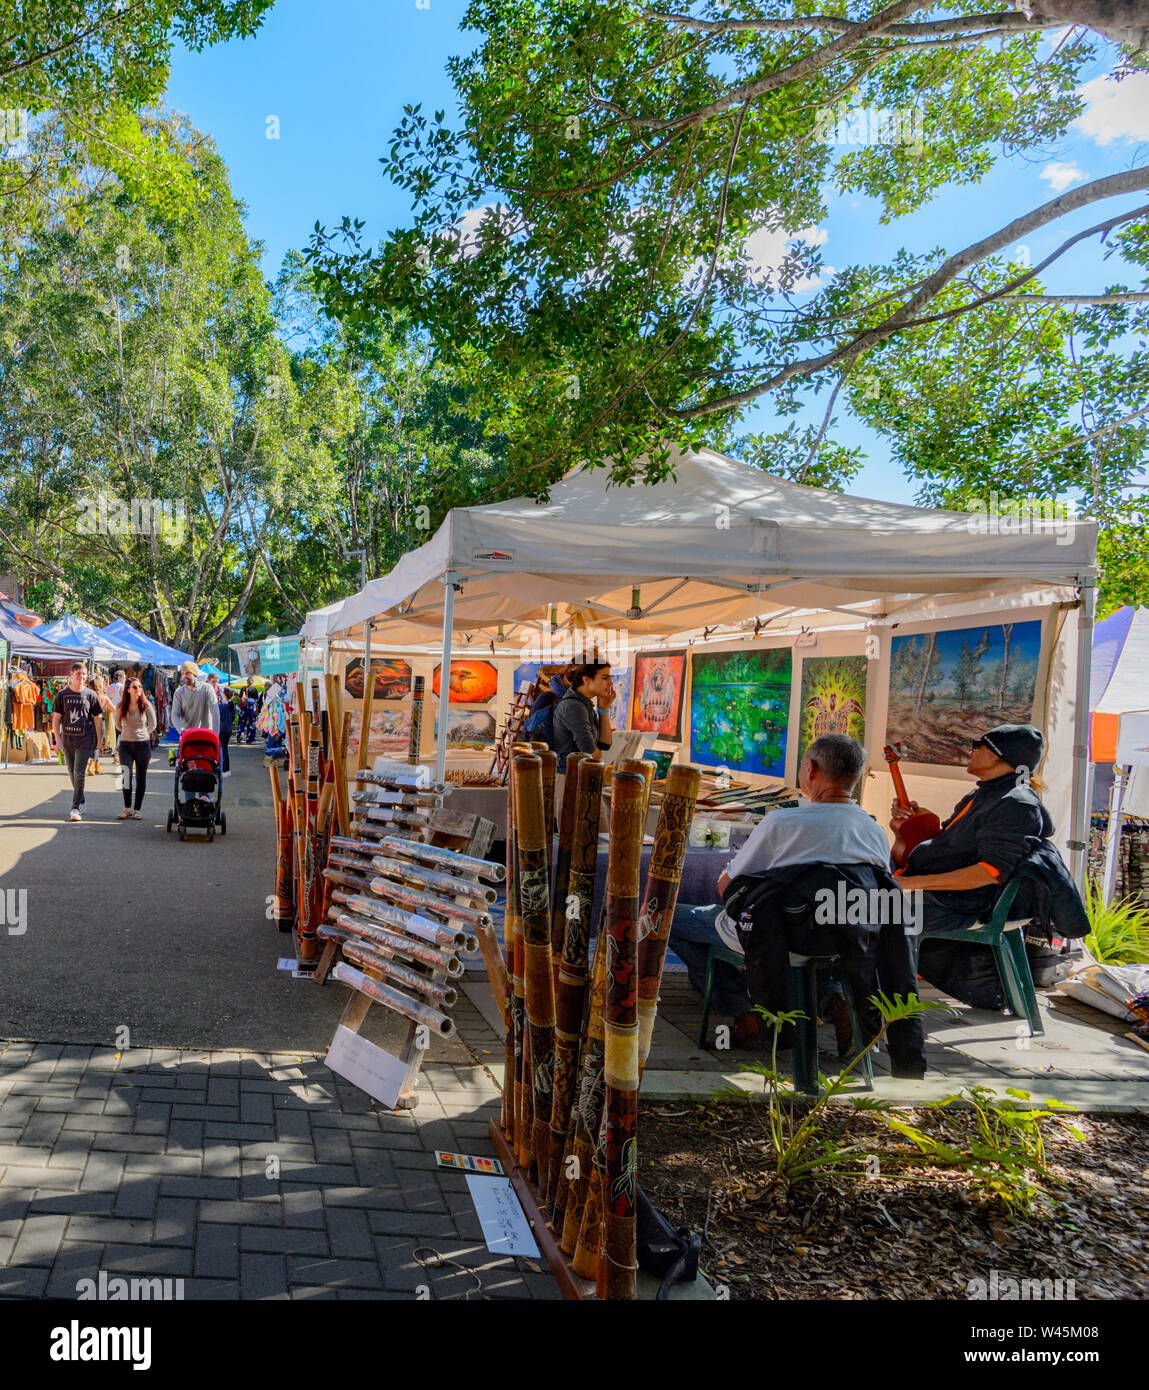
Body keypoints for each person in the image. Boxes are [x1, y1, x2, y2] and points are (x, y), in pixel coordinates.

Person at [669, 733, 892, 1046]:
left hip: (772, 937)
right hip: (844, 941)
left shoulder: (783, 821)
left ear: (811, 770)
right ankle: (831, 1000)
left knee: (668, 921)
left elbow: (726, 887)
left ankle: (741, 1010)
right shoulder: (874, 831)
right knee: (803, 931)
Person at [892, 723, 1053, 1009]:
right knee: (851, 899)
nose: (971, 751)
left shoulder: (1015, 804)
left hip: (971, 902)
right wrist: (921, 819)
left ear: (1003, 758)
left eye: (980, 746)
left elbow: (990, 872)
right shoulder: (984, 794)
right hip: (952, 897)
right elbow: (956, 843)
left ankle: (876, 1009)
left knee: (863, 911)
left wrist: (912, 883)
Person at [50, 662, 114, 822]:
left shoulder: (91, 695)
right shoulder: (62, 695)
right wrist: (57, 740)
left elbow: (98, 718)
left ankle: (75, 807)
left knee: (79, 773)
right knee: (72, 773)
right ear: (71, 674)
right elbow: (56, 718)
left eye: (84, 674)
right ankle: (82, 800)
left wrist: (99, 741)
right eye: (78, 673)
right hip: (68, 740)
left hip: (85, 740)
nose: (82, 677)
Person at [551, 662, 613, 773]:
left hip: (577, 774)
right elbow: (592, 754)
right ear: (586, 679)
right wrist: (597, 753)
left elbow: (605, 744)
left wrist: (603, 710)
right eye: (605, 678)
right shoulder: (574, 706)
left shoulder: (584, 704)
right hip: (566, 777)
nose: (610, 683)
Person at [113, 676, 156, 820]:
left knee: (141, 777)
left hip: (143, 744)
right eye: (135, 687)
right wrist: (128, 732)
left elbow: (153, 725)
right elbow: (118, 725)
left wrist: (142, 733)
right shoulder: (120, 707)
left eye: (140, 687)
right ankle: (127, 808)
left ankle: (137, 809)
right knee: (126, 776)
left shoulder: (146, 705)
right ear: (128, 690)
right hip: (125, 744)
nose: (138, 690)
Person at [170, 661, 219, 736]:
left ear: (195, 674)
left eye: (187, 673)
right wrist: (182, 731)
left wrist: (216, 735)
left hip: (205, 736)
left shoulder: (207, 689)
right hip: (187, 737)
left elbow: (215, 713)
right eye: (182, 674)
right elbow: (174, 715)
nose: (184, 676)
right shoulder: (179, 693)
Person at [218, 684, 234, 777]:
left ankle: (224, 770)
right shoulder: (231, 704)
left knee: (222, 750)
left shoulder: (223, 705)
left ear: (225, 694)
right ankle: (227, 770)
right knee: (225, 749)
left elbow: (218, 716)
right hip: (228, 729)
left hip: (223, 729)